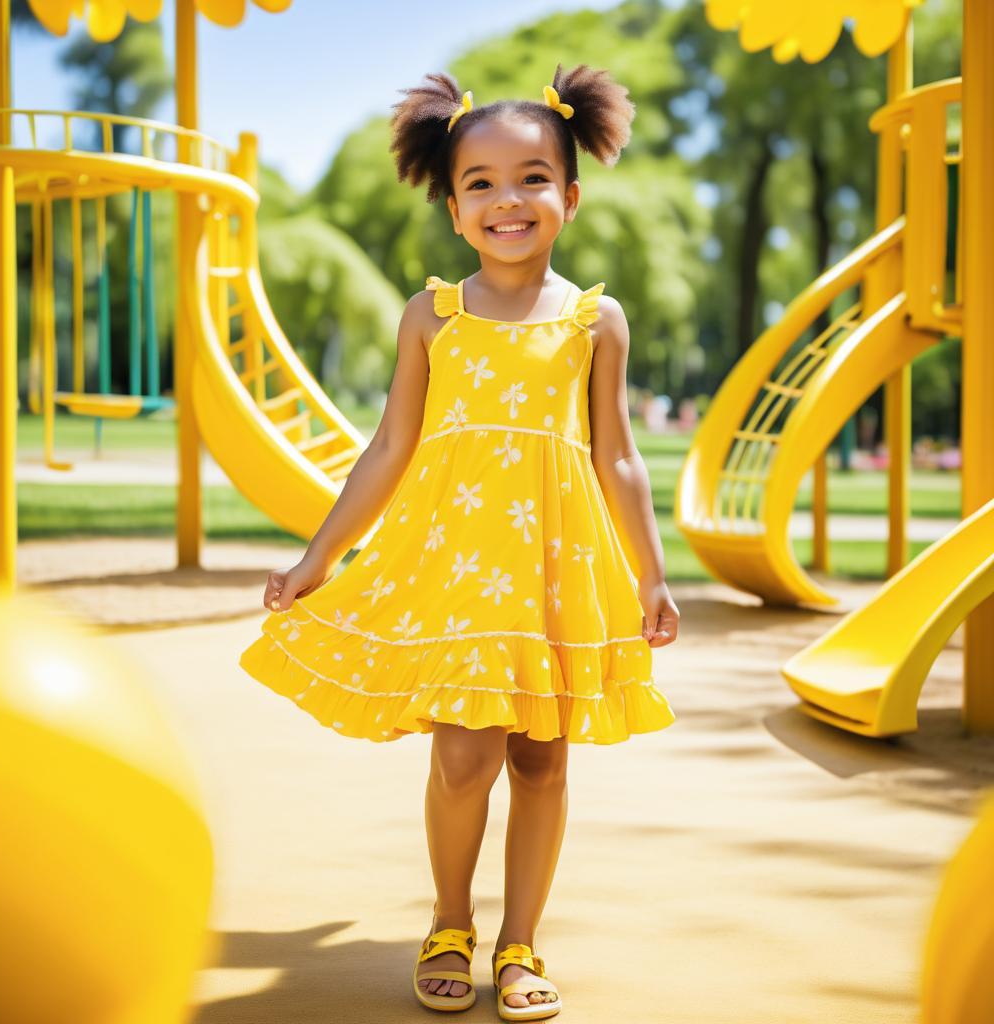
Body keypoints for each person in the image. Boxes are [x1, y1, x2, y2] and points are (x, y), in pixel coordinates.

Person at [239, 63, 679, 1021]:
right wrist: (319, 558)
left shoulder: (594, 319)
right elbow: (390, 446)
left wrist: (651, 574)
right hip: (458, 574)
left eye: (531, 177)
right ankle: (450, 921)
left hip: (554, 573)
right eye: (479, 182)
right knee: (462, 758)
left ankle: (522, 939)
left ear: (570, 192)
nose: (507, 199)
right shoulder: (431, 317)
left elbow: (619, 457)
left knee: (543, 761)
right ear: (451, 206)